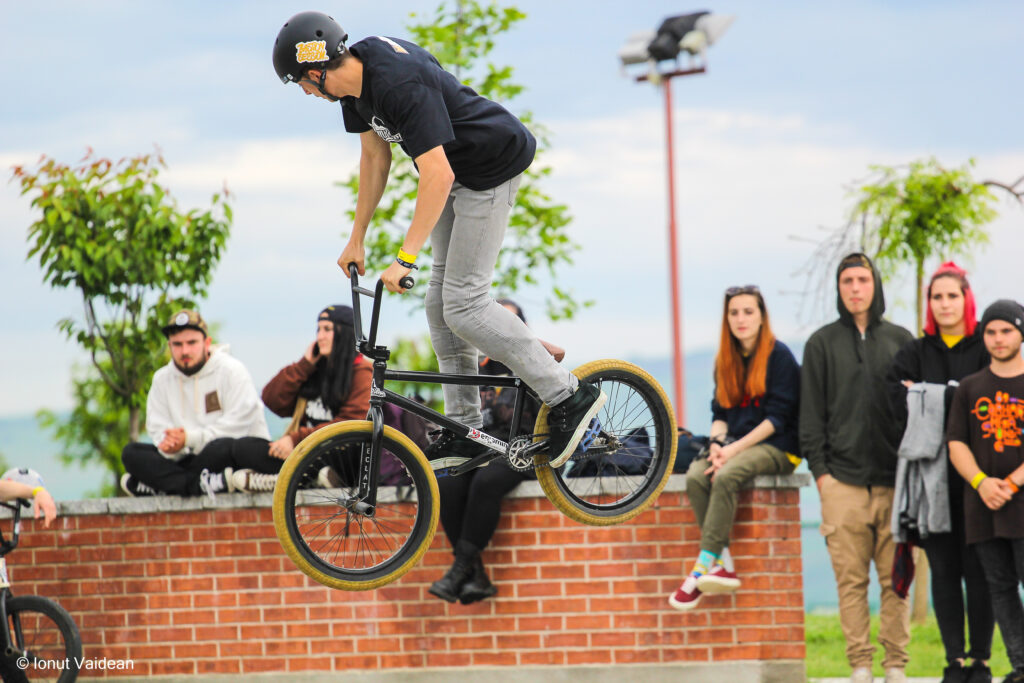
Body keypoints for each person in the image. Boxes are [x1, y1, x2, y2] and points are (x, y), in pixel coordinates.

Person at [271, 11, 605, 474]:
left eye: (302, 85)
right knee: (439, 305)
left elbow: (438, 173)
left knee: (465, 303)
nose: (306, 94)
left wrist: (404, 257)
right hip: (455, 174)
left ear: (315, 71)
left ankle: (568, 393)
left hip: (489, 166)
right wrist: (357, 238)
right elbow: (375, 156)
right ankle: (466, 426)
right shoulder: (354, 87)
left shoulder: (396, 82)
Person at [800, 253, 915, 683]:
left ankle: (896, 665)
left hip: (897, 483)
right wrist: (824, 478)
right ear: (839, 288)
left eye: (862, 280)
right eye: (847, 280)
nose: (854, 288)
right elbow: (810, 418)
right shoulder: (821, 344)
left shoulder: (902, 340)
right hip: (841, 484)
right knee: (851, 584)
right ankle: (861, 665)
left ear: (875, 285)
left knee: (896, 581)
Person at [886, 263, 993, 683]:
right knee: (945, 574)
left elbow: (988, 398)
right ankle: (955, 662)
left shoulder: (987, 346)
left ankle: (981, 660)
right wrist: (955, 395)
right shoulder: (915, 351)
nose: (944, 304)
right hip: (933, 483)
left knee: (980, 574)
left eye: (952, 296)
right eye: (937, 297)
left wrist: (929, 394)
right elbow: (893, 397)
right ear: (928, 304)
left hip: (979, 481)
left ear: (966, 299)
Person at [668, 286, 801, 610]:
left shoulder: (779, 356)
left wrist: (732, 451)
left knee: (726, 476)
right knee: (698, 475)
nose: (741, 319)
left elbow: (778, 419)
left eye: (748, 312)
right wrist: (716, 445)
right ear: (726, 319)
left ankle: (700, 568)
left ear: (761, 316)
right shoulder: (725, 359)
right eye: (734, 313)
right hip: (734, 446)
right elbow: (721, 414)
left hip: (779, 447)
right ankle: (722, 563)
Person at [428, 299, 563, 604]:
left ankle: (460, 570)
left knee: (485, 483)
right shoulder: (475, 370)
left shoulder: (534, 365)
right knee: (447, 481)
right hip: (483, 449)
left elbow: (552, 416)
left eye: (508, 323)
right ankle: (474, 575)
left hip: (524, 448)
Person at [947, 300, 1024, 683]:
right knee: (1001, 589)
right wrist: (981, 482)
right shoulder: (969, 387)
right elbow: (956, 442)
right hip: (984, 505)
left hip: (1020, 502)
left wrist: (1011, 483)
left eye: (1006, 330)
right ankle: (1021, 666)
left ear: (1020, 333)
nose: (998, 339)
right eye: (991, 332)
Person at [120, 310, 271, 497]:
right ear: (169, 346)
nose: (185, 351)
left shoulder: (232, 371)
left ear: (207, 343)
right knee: (131, 453)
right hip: (188, 460)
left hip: (226, 456)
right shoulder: (161, 380)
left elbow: (238, 426)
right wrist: (172, 446)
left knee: (221, 447)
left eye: (191, 343)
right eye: (177, 344)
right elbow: (158, 430)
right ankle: (201, 485)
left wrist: (189, 438)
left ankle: (165, 486)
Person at [236, 304, 372, 491]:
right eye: (318, 329)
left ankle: (283, 481)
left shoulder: (362, 372)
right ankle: (299, 478)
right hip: (302, 452)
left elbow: (351, 424)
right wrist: (304, 364)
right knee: (241, 447)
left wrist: (296, 439)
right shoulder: (313, 369)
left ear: (346, 333)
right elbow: (272, 399)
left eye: (327, 329)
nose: (320, 336)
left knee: (343, 450)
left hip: (337, 454)